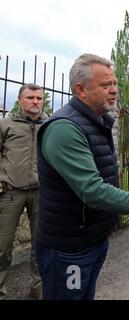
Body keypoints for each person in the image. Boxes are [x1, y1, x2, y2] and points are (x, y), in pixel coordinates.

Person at [35, 53, 129, 300]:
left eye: (115, 84)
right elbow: (93, 190)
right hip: (69, 248)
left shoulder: (98, 121)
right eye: (105, 85)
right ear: (80, 89)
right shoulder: (64, 129)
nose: (114, 90)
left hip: (92, 240)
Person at [0, 84, 47, 300]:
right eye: (30, 97)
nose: (35, 101)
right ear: (20, 100)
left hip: (42, 193)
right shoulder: (6, 124)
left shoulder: (50, 125)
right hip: (11, 193)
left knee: (41, 244)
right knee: (2, 246)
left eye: (39, 98)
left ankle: (38, 288)